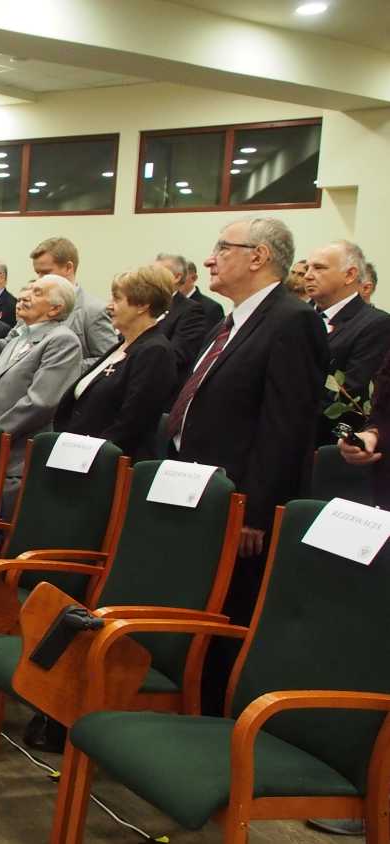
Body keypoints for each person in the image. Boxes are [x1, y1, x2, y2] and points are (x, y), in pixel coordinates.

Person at [168, 216, 328, 715]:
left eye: (222, 248)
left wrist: (255, 511)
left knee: (227, 618)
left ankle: (214, 723)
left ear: (258, 256)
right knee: (195, 608)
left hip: (241, 505)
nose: (210, 259)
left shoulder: (292, 320)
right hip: (199, 489)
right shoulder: (230, 320)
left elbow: (287, 426)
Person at [54, 265, 179, 460]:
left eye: (117, 299)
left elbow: (133, 420)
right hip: (77, 453)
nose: (109, 306)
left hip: (105, 462)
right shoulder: (122, 345)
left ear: (142, 305)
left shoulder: (155, 351)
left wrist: (94, 455)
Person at [0, 275, 83, 505]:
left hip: (17, 453)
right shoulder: (24, 332)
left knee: (1, 518)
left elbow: (41, 402)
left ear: (55, 309)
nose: (24, 296)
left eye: (37, 293)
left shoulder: (63, 340)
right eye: (28, 289)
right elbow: (6, 356)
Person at [305, 239, 390, 442]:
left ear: (350, 275)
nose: (307, 275)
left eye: (319, 268)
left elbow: (350, 394)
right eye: (307, 268)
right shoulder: (296, 317)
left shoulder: (375, 324)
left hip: (325, 441)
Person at [30, 236, 117, 368]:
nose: (40, 279)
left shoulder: (93, 311)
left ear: (68, 268)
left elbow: (108, 359)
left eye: (46, 272)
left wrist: (63, 367)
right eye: (38, 273)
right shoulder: (34, 304)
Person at [152, 253, 213, 380]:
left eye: (157, 273)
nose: (150, 278)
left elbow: (178, 354)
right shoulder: (146, 305)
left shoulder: (190, 310)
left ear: (177, 277)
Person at [180, 257, 225, 330]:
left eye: (181, 276)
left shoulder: (211, 308)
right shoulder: (167, 304)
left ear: (194, 278)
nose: (175, 280)